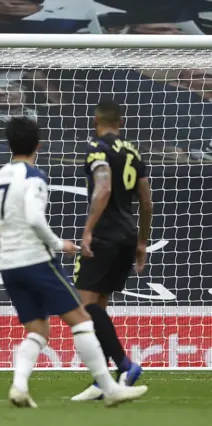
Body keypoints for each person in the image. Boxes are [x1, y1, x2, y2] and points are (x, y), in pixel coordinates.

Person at [0, 116, 148, 408]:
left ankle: (19, 386)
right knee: (82, 320)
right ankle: (111, 388)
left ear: (8, 145)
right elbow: (36, 218)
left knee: (38, 331)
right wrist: (58, 244)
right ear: (38, 145)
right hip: (37, 261)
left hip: (9, 267)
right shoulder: (35, 177)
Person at [71, 100, 152, 401]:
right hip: (128, 237)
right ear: (120, 122)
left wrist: (88, 229)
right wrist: (142, 242)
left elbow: (103, 189)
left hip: (104, 237)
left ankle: (125, 365)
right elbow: (146, 201)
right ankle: (102, 381)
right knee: (98, 309)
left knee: (83, 309)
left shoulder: (97, 149)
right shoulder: (133, 152)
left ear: (96, 120)